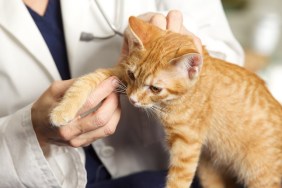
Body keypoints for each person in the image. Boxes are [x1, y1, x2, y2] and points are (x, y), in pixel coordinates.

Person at [0, 0, 244, 187]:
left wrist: (181, 46)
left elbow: (230, 64)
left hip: (162, 171)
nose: (134, 97)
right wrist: (26, 131)